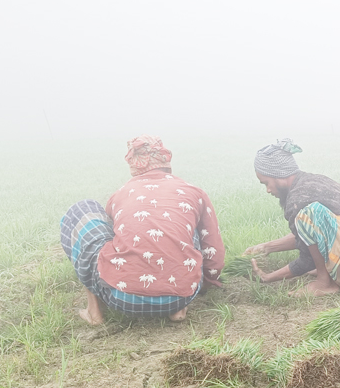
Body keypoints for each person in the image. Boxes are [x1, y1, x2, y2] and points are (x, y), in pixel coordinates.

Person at [60, 135, 225, 325]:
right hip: (182, 295)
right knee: (187, 228)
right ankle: (177, 309)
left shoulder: (120, 194)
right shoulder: (193, 191)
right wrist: (206, 283)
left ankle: (94, 311)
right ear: (165, 160)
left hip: (119, 297)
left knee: (83, 208)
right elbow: (214, 249)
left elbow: (114, 238)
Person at [246, 138, 340, 296]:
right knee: (307, 218)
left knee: (306, 215)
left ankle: (324, 283)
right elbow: (310, 234)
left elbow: (307, 260)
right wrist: (267, 247)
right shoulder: (310, 181)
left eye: (266, 183)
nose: (268, 190)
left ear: (278, 175)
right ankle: (329, 271)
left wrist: (268, 277)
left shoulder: (297, 201)